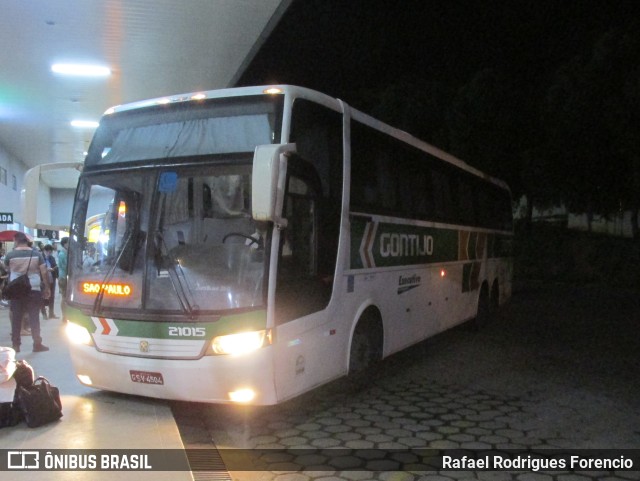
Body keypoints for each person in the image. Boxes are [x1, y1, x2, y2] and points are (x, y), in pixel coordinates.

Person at [3, 232, 51, 352]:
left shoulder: (10, 255)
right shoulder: (36, 254)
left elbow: (7, 269)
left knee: (16, 318)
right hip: (33, 289)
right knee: (34, 318)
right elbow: (44, 272)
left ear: (16, 241)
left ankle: (16, 345)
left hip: (16, 290)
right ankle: (37, 344)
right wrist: (46, 287)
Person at [42, 244, 59, 319]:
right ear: (44, 251)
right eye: (48, 252)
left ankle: (51, 313)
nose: (49, 253)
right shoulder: (40, 258)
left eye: (50, 252)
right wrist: (46, 269)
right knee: (43, 297)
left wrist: (53, 269)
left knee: (52, 296)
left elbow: (55, 266)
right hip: (43, 280)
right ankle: (44, 314)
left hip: (52, 279)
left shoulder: (52, 258)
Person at [57, 237, 68, 322]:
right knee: (64, 297)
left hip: (66, 277)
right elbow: (64, 266)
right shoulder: (62, 254)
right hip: (63, 277)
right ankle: (64, 315)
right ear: (64, 244)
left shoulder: (66, 253)